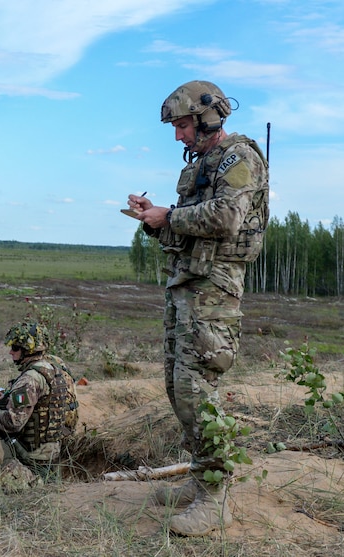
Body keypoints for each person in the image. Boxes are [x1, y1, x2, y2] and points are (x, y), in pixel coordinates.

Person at [126, 80, 269, 536]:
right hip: (187, 285)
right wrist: (155, 219)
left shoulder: (239, 158)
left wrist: (170, 215)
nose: (178, 136)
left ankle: (216, 496)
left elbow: (226, 220)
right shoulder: (201, 166)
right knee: (177, 387)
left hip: (214, 289)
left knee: (197, 390)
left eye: (183, 125)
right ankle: (200, 478)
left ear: (208, 118)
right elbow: (188, 231)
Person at [0, 321, 79, 475]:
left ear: (28, 351)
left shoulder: (30, 378)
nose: (11, 352)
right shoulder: (52, 368)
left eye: (15, 348)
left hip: (31, 456)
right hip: (51, 451)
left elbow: (14, 423)